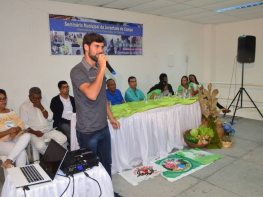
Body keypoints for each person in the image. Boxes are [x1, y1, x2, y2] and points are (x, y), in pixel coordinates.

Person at [70, 33, 120, 190]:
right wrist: (102, 70)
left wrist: (110, 117)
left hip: (103, 127)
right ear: (86, 47)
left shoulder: (99, 68)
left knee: (106, 164)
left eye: (102, 47)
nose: (100, 51)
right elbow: (91, 94)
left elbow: (101, 96)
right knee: (91, 169)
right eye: (96, 47)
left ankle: (108, 192)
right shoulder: (78, 71)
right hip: (88, 130)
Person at [19, 87, 67, 155]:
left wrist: (41, 107)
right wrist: (35, 132)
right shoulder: (24, 106)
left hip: (47, 129)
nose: (38, 100)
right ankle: (52, 158)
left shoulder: (43, 102)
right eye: (35, 98)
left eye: (39, 98)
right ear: (29, 96)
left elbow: (50, 118)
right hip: (34, 132)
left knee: (63, 138)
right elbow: (24, 125)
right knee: (40, 146)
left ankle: (50, 157)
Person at [0, 89, 31, 168]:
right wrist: (8, 131)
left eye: (4, 98)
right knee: (22, 152)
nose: (3, 101)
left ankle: (9, 160)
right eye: (0, 99)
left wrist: (16, 130)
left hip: (13, 138)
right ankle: (20, 176)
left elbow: (21, 124)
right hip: (1, 142)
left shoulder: (11, 112)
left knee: (27, 136)